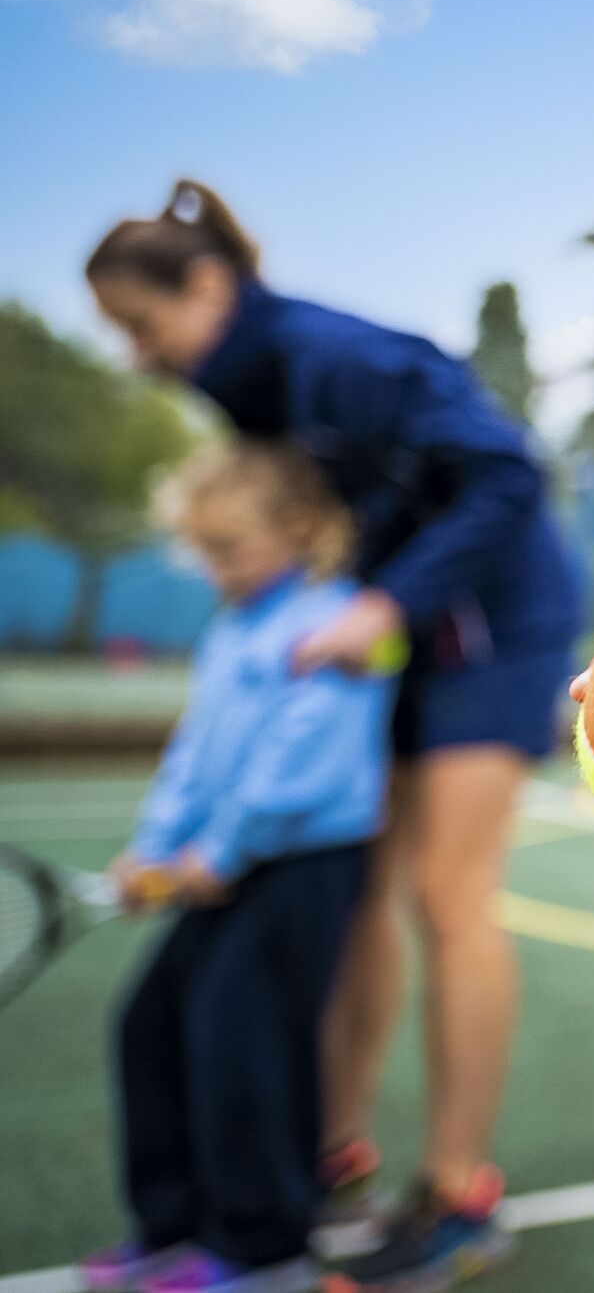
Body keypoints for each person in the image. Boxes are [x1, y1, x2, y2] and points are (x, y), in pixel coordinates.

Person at [88, 184, 581, 1289]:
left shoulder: (336, 356)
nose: (136, 354)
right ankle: (332, 1151)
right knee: (357, 895)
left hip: (490, 627)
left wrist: (383, 603)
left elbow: (509, 473)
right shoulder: (247, 383)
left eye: (139, 324)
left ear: (206, 284)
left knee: (450, 898)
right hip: (392, 629)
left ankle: (458, 1191)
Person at [88, 445, 394, 1293]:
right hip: (218, 867)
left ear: (297, 528)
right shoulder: (232, 628)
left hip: (302, 867)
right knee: (146, 1024)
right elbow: (194, 752)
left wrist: (217, 855)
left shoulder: (344, 621)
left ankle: (264, 1251)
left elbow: (303, 762)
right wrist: (156, 849)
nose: (213, 567)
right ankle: (173, 1225)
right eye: (201, 550)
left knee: (244, 1044)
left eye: (227, 547)